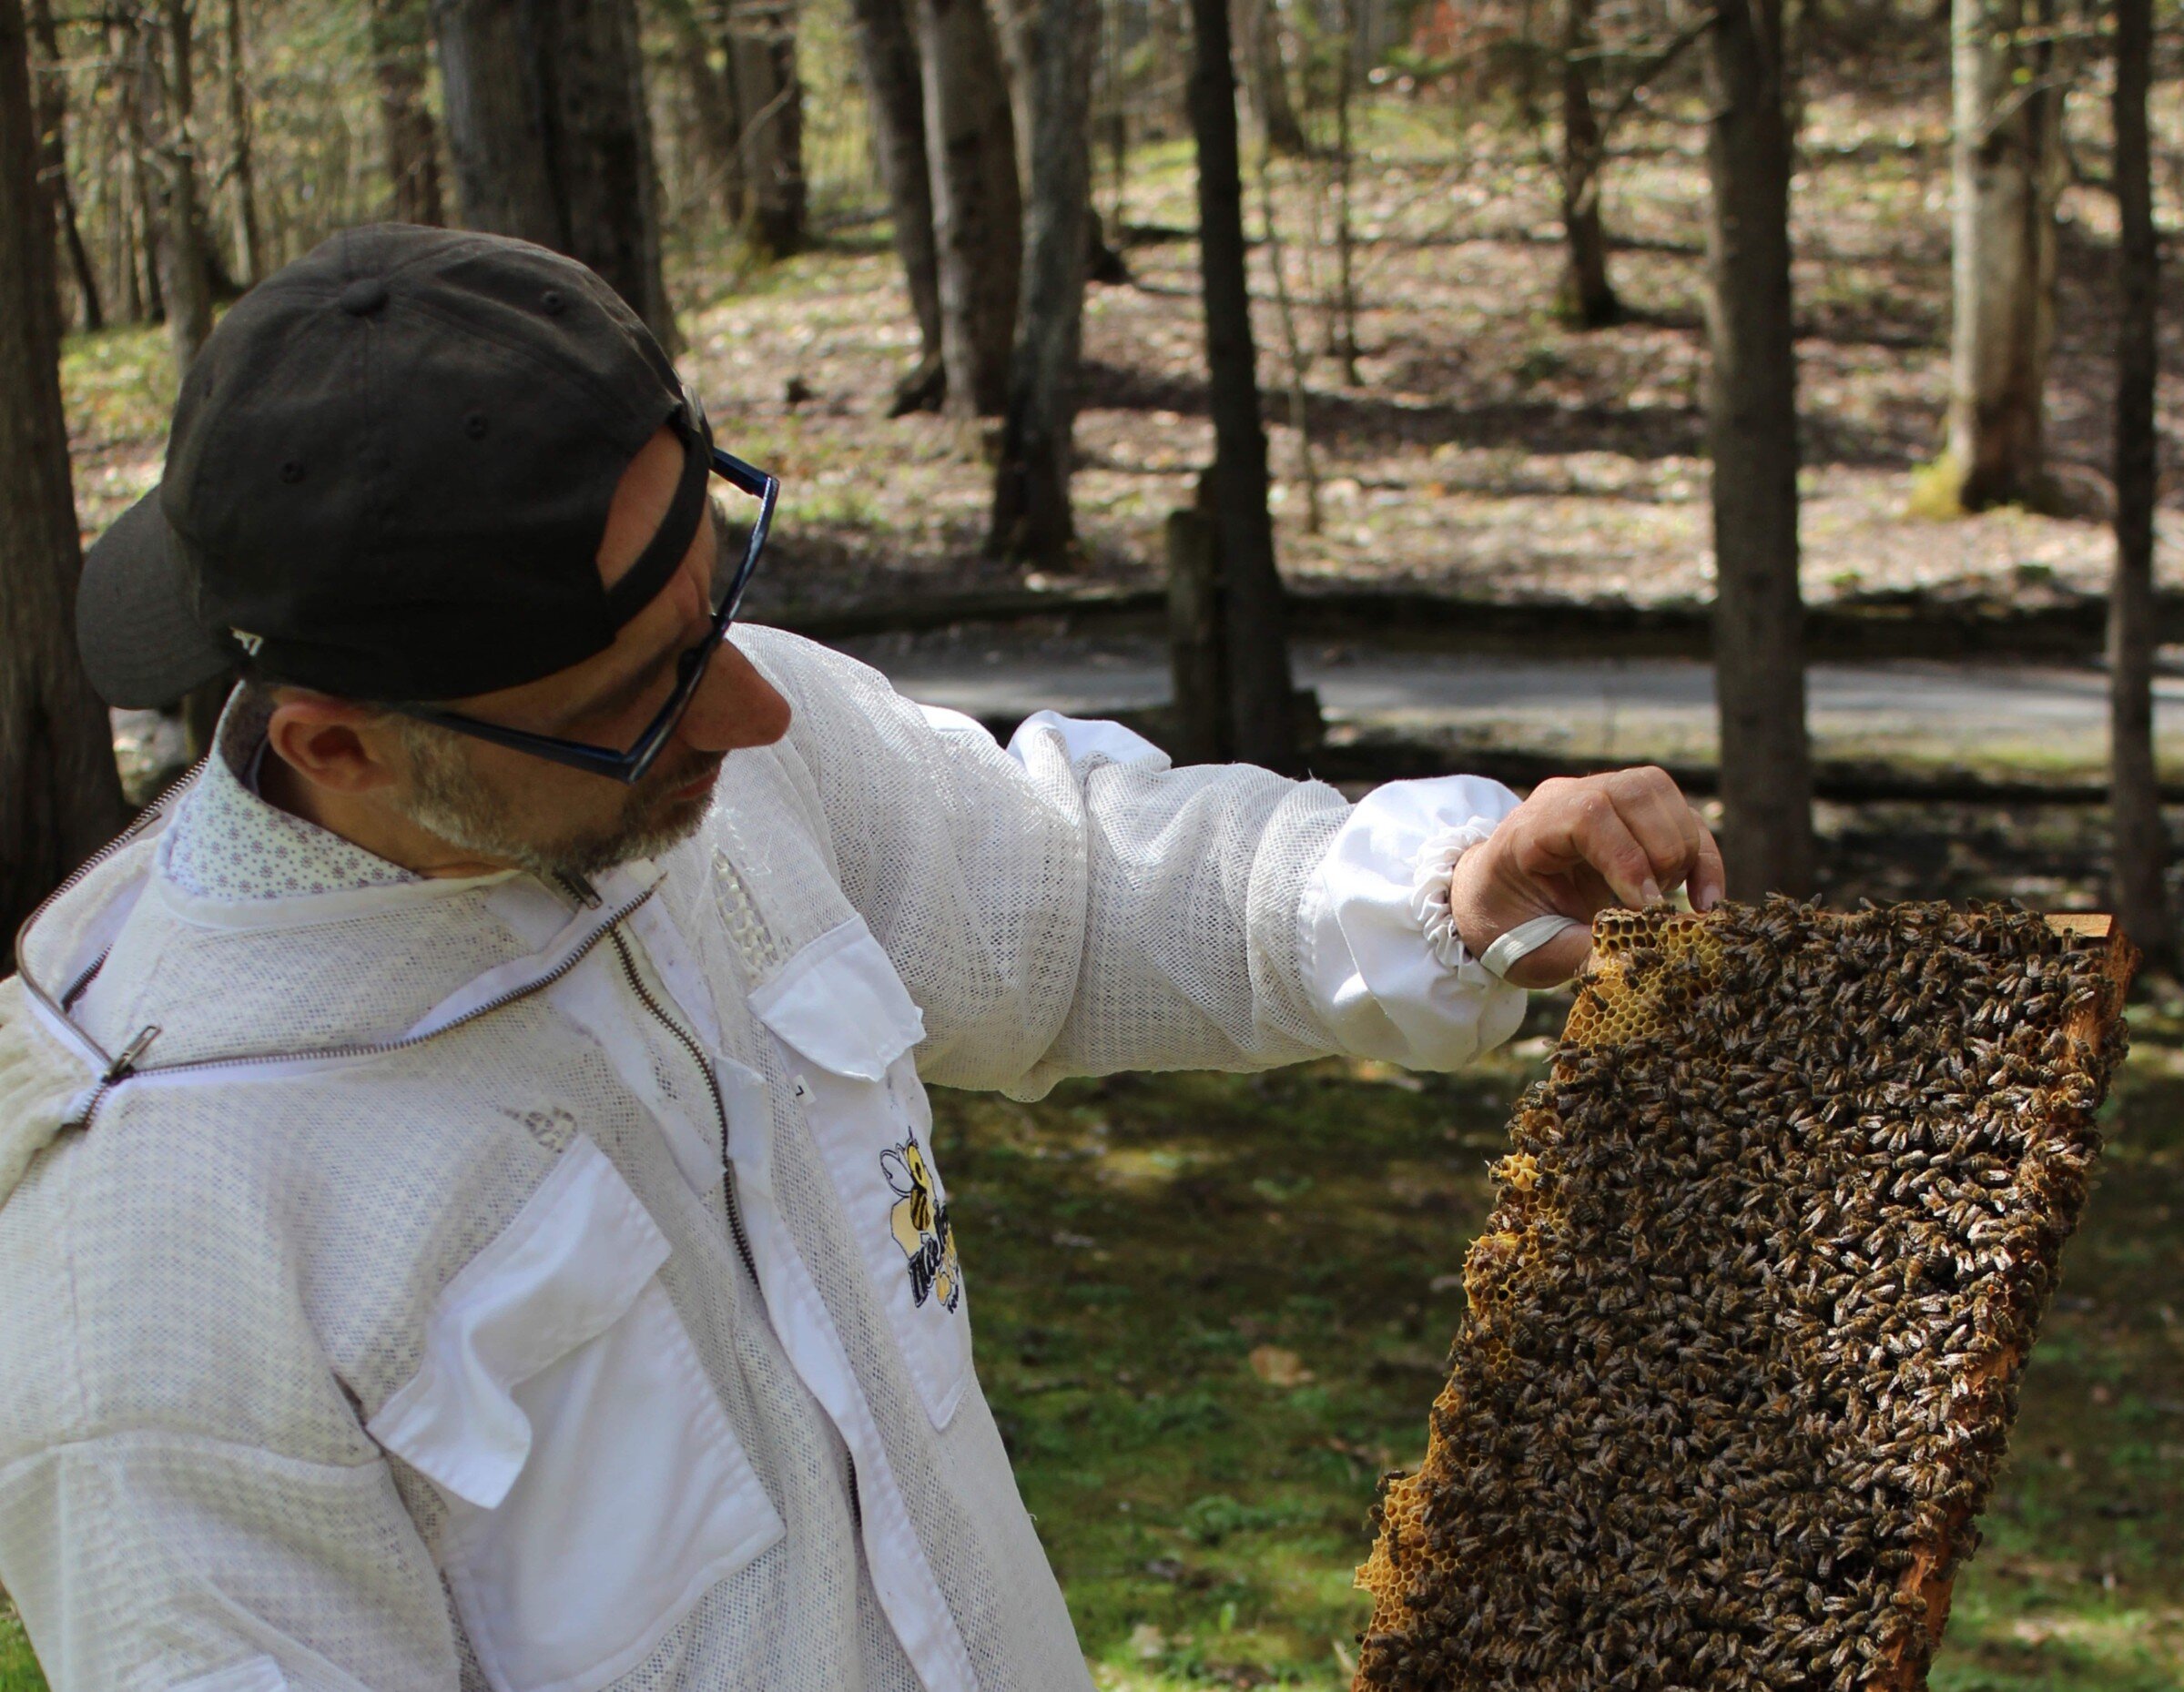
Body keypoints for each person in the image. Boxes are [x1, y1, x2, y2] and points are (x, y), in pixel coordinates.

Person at [0, 226, 1722, 1692]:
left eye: (716, 604)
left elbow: (1066, 898)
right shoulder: (154, 1271)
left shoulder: (708, 761)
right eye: (637, 698)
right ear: (341, 747)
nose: (751, 712)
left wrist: (1454, 894)